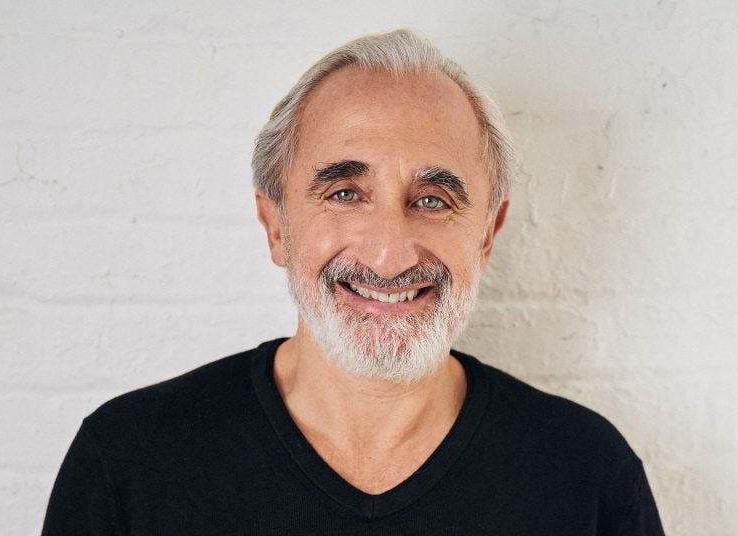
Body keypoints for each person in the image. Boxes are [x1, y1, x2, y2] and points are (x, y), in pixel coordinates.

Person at [42, 29, 664, 535]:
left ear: (487, 235)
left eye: (433, 199)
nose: (389, 256)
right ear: (276, 226)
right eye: (344, 193)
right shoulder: (128, 461)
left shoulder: (587, 474)